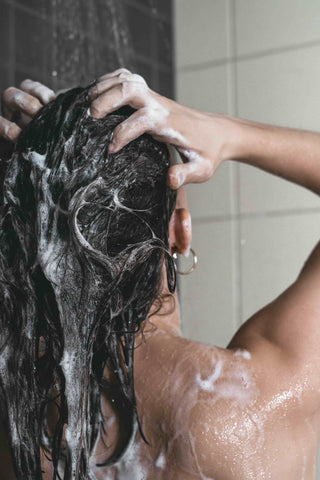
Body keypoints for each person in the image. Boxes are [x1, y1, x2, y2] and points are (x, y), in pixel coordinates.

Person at [1, 69, 320, 480]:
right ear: (180, 231)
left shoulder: (19, 427)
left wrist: (41, 177)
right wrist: (225, 132)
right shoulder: (254, 407)